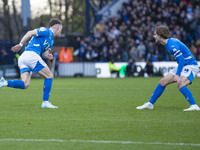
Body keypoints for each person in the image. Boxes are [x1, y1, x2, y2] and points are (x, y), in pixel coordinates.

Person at [0, 18, 63, 108]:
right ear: (57, 28)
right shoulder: (46, 31)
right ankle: (45, 102)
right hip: (31, 55)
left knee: (25, 84)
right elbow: (30, 33)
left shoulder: (51, 41)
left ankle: (5, 82)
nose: (61, 31)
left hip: (24, 58)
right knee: (49, 76)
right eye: (61, 29)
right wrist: (20, 44)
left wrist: (47, 55)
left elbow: (44, 53)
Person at [136, 25, 200, 111]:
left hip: (190, 65)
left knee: (181, 84)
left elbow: (181, 60)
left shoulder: (171, 44)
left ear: (159, 35)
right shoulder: (167, 44)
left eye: (155, 34)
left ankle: (194, 105)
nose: (154, 36)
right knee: (163, 81)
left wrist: (177, 75)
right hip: (184, 65)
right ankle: (150, 104)